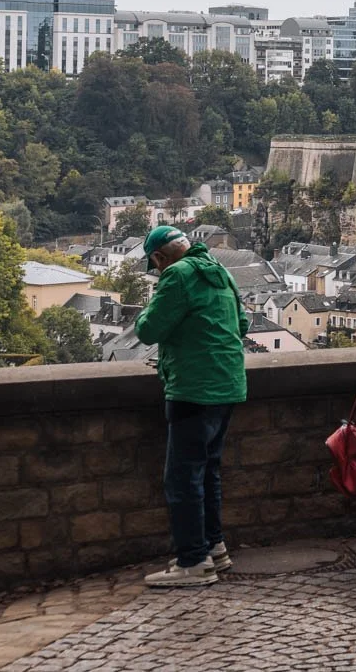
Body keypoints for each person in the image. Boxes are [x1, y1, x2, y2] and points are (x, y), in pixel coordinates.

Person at [132, 225, 248, 588]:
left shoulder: (177, 275)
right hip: (228, 383)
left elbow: (149, 330)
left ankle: (193, 562)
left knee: (182, 478)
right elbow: (241, 324)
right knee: (208, 472)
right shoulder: (221, 271)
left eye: (156, 266)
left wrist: (145, 313)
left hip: (193, 387)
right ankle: (214, 548)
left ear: (158, 258)